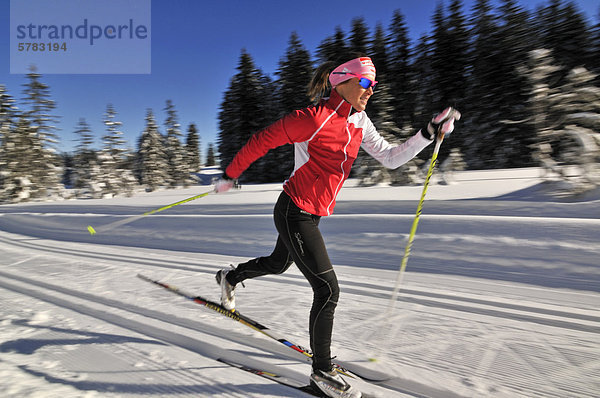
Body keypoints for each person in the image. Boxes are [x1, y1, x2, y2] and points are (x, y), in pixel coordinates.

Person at [213, 54, 459, 398]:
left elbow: (390, 158)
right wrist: (230, 175)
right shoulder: (310, 119)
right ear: (339, 81)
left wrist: (427, 133)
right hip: (293, 210)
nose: (369, 90)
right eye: (363, 82)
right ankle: (322, 374)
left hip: (310, 214)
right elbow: (261, 140)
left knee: (279, 262)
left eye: (373, 85)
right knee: (328, 290)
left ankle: (230, 276)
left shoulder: (360, 121)